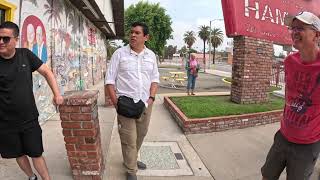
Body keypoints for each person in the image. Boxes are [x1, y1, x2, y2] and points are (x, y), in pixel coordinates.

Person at [0, 21, 63, 180]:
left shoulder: (25, 55)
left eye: (6, 38)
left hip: (29, 118)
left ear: (16, 39)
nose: (1, 42)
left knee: (36, 153)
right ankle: (31, 177)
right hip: (5, 121)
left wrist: (57, 94)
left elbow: (47, 72)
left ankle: (46, 179)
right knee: (18, 153)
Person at [261, 11, 320, 180]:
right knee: (267, 175)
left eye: (300, 28)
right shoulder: (289, 62)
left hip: (307, 145)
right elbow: (290, 96)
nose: (294, 32)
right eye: (292, 28)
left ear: (316, 34)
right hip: (283, 136)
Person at [105, 22, 159, 180]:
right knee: (128, 139)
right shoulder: (120, 54)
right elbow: (109, 80)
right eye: (131, 32)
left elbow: (155, 79)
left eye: (137, 33)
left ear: (146, 37)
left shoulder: (151, 56)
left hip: (145, 104)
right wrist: (117, 104)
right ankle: (131, 170)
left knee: (140, 135)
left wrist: (151, 99)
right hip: (126, 105)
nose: (133, 35)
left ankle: (132, 159)